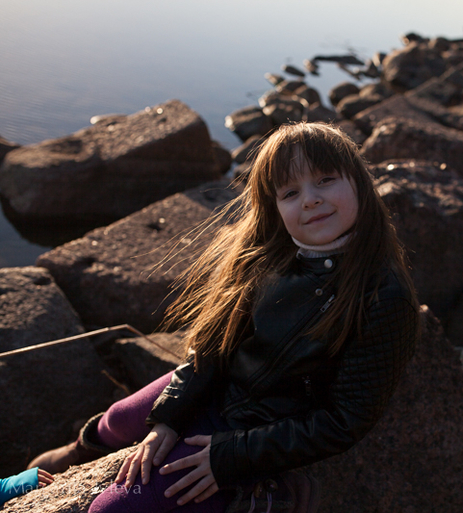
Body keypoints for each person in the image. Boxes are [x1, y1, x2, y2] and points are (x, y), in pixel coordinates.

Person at [27, 122, 420, 512]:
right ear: (274, 208)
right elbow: (211, 346)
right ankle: (77, 455)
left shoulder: (384, 295)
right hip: (218, 386)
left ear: (360, 183)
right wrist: (169, 417)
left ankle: (278, 491)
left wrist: (231, 457)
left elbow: (344, 420)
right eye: (290, 192)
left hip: (259, 432)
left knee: (111, 510)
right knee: (119, 418)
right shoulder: (266, 256)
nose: (310, 200)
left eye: (326, 180)